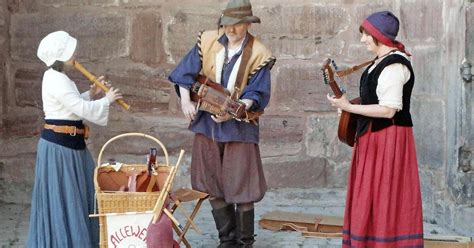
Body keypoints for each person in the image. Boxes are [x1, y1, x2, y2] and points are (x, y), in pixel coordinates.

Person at [168, 0, 275, 247]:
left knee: (243, 185)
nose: (230, 30)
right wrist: (186, 101)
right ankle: (227, 241)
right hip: (207, 126)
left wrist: (236, 110)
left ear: (248, 24)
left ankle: (245, 242)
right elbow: (184, 73)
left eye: (236, 25)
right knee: (211, 183)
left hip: (239, 128)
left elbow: (257, 93)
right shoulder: (207, 40)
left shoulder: (260, 53)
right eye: (227, 24)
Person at [327, 11, 423, 247]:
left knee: (385, 195)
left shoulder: (394, 66)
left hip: (388, 139)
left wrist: (351, 107)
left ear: (379, 36)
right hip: (373, 138)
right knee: (370, 194)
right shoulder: (379, 62)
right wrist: (349, 108)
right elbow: (374, 100)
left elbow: (389, 110)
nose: (363, 40)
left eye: (366, 35)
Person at [27, 30, 122, 247]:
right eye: (70, 52)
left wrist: (92, 93)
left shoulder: (59, 78)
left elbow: (69, 107)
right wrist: (107, 100)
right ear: (59, 57)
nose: (75, 55)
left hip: (72, 146)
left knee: (80, 196)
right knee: (65, 200)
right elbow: (78, 109)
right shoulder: (54, 78)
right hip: (60, 150)